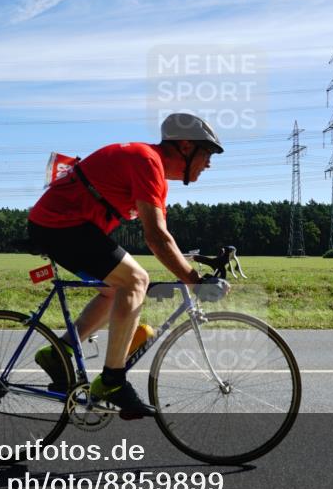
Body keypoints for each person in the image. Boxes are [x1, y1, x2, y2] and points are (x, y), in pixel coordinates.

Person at [27, 113, 230, 419]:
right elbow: (156, 238)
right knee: (136, 280)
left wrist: (198, 264)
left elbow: (165, 237)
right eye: (207, 153)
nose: (209, 163)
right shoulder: (146, 160)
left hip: (71, 227)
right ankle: (112, 381)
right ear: (186, 146)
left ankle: (58, 351)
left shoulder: (155, 175)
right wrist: (193, 281)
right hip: (61, 224)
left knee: (116, 289)